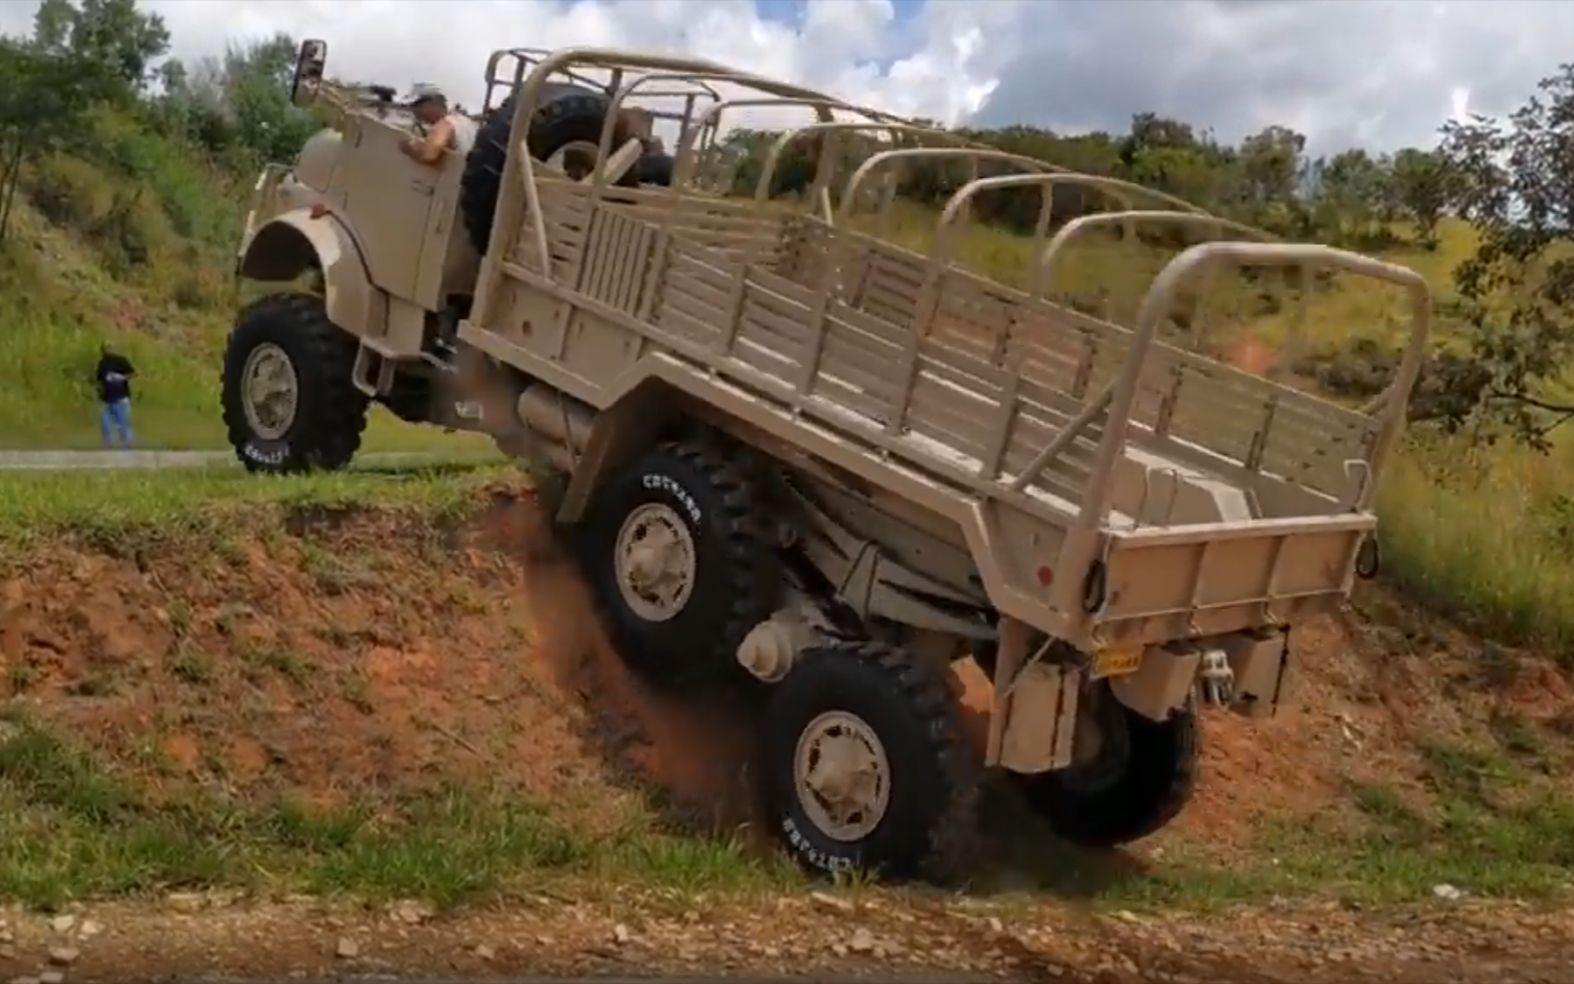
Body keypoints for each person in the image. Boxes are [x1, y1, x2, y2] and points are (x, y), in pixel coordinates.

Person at [397, 83, 478, 166]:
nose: (415, 113)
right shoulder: (466, 122)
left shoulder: (444, 125)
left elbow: (429, 156)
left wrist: (410, 149)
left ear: (433, 103)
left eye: (417, 107)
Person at [94, 343, 135, 449]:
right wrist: (99, 392)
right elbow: (99, 380)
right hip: (107, 398)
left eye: (108, 348)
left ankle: (126, 443)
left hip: (121, 397)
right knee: (105, 421)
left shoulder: (121, 360)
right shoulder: (102, 363)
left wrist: (121, 377)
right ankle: (109, 443)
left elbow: (132, 373)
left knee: (123, 421)